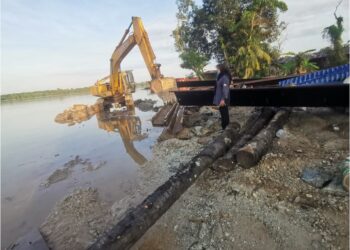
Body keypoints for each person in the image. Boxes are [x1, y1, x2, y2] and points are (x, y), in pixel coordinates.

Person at [213, 64, 231, 129]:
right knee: (223, 112)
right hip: (221, 98)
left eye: (217, 68)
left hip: (223, 98)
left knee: (224, 113)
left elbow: (225, 88)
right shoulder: (220, 76)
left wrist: (223, 99)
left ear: (221, 69)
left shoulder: (225, 77)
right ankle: (225, 128)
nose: (217, 70)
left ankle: (225, 128)